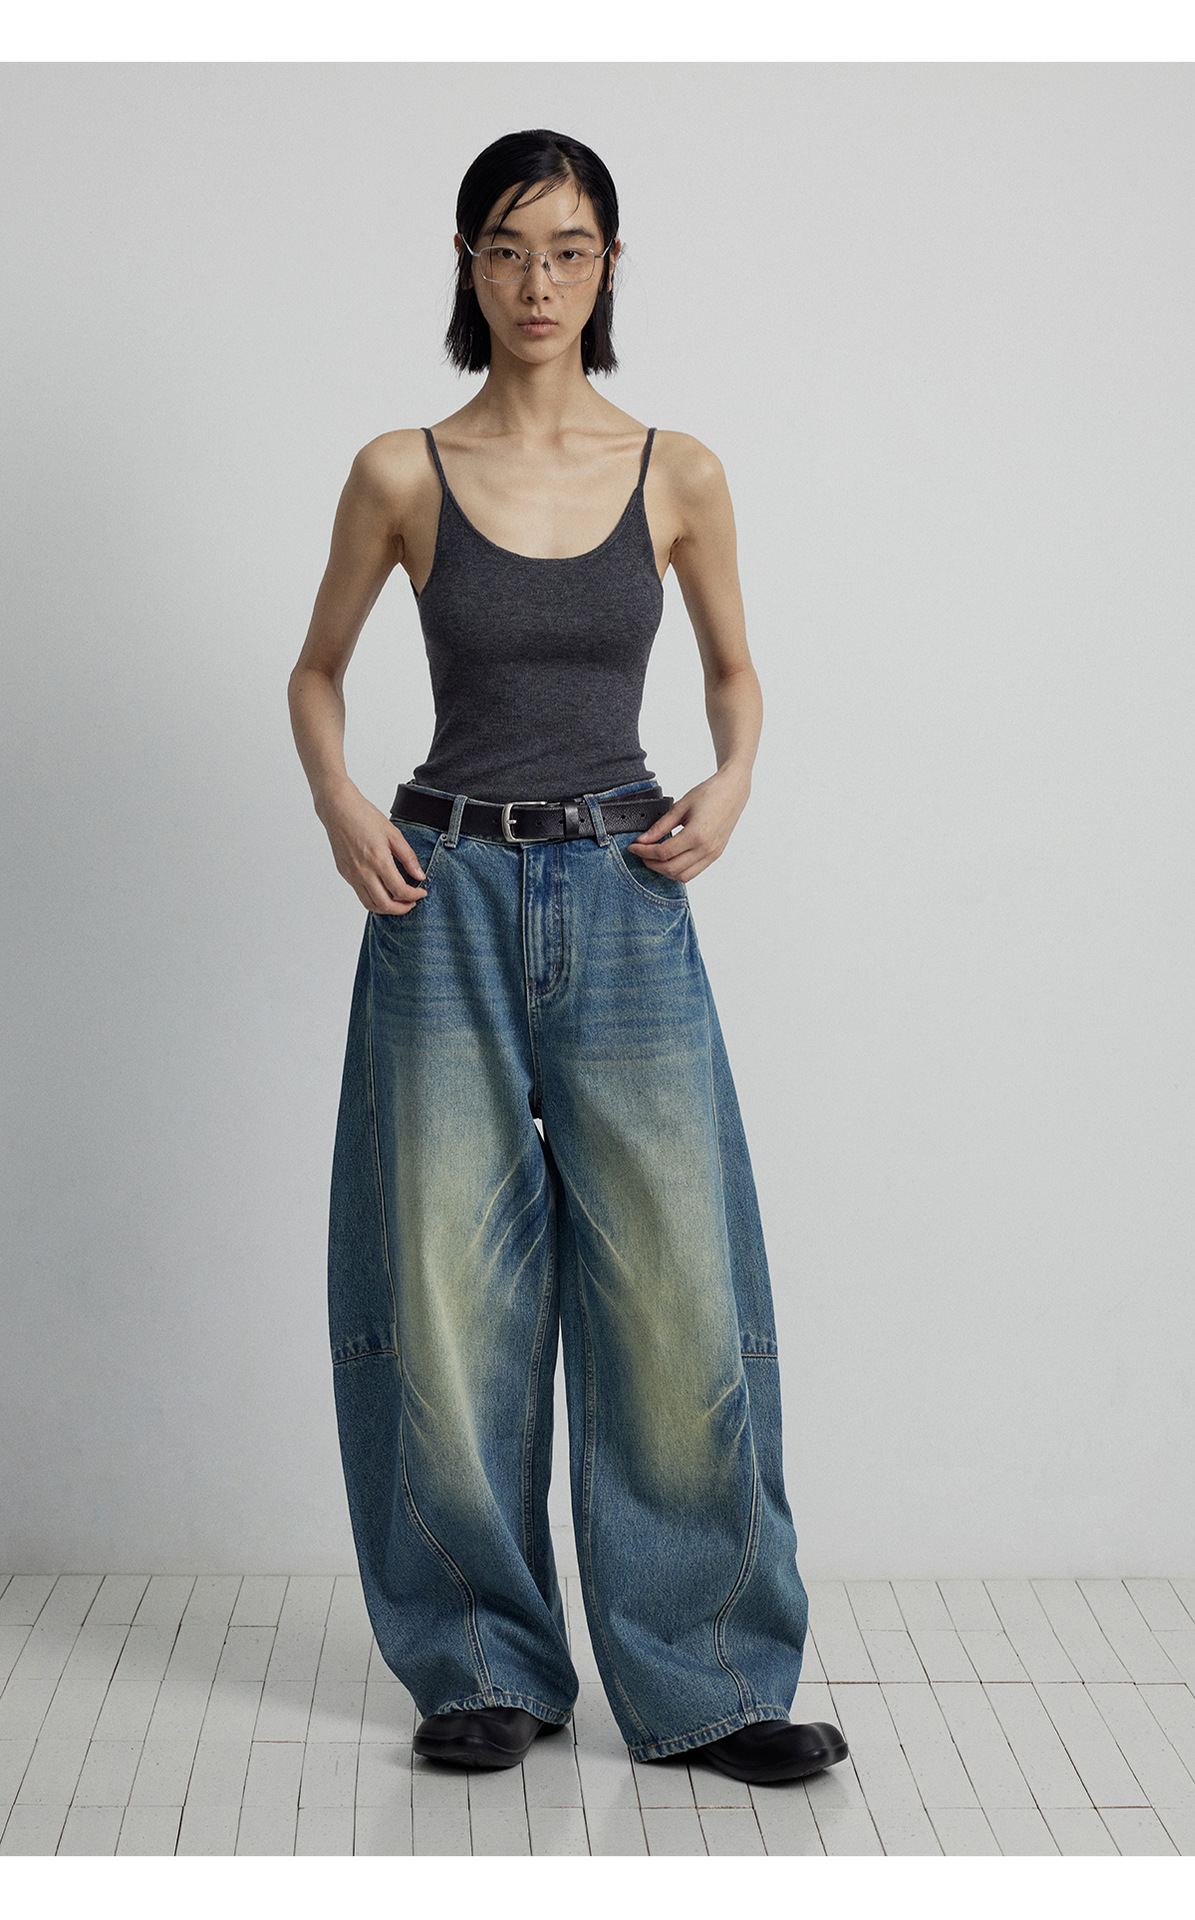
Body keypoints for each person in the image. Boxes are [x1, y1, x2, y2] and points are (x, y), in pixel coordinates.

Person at [287, 127, 848, 1791]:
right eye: (509, 248)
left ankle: (712, 1681)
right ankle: (482, 1667)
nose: (540, 282)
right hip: (441, 893)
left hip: (624, 887)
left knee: (679, 1289)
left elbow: (736, 673)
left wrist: (732, 782)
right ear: (467, 265)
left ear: (609, 268)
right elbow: (316, 673)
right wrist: (337, 802)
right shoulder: (403, 470)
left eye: (572, 249)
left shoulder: (677, 470)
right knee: (442, 1289)